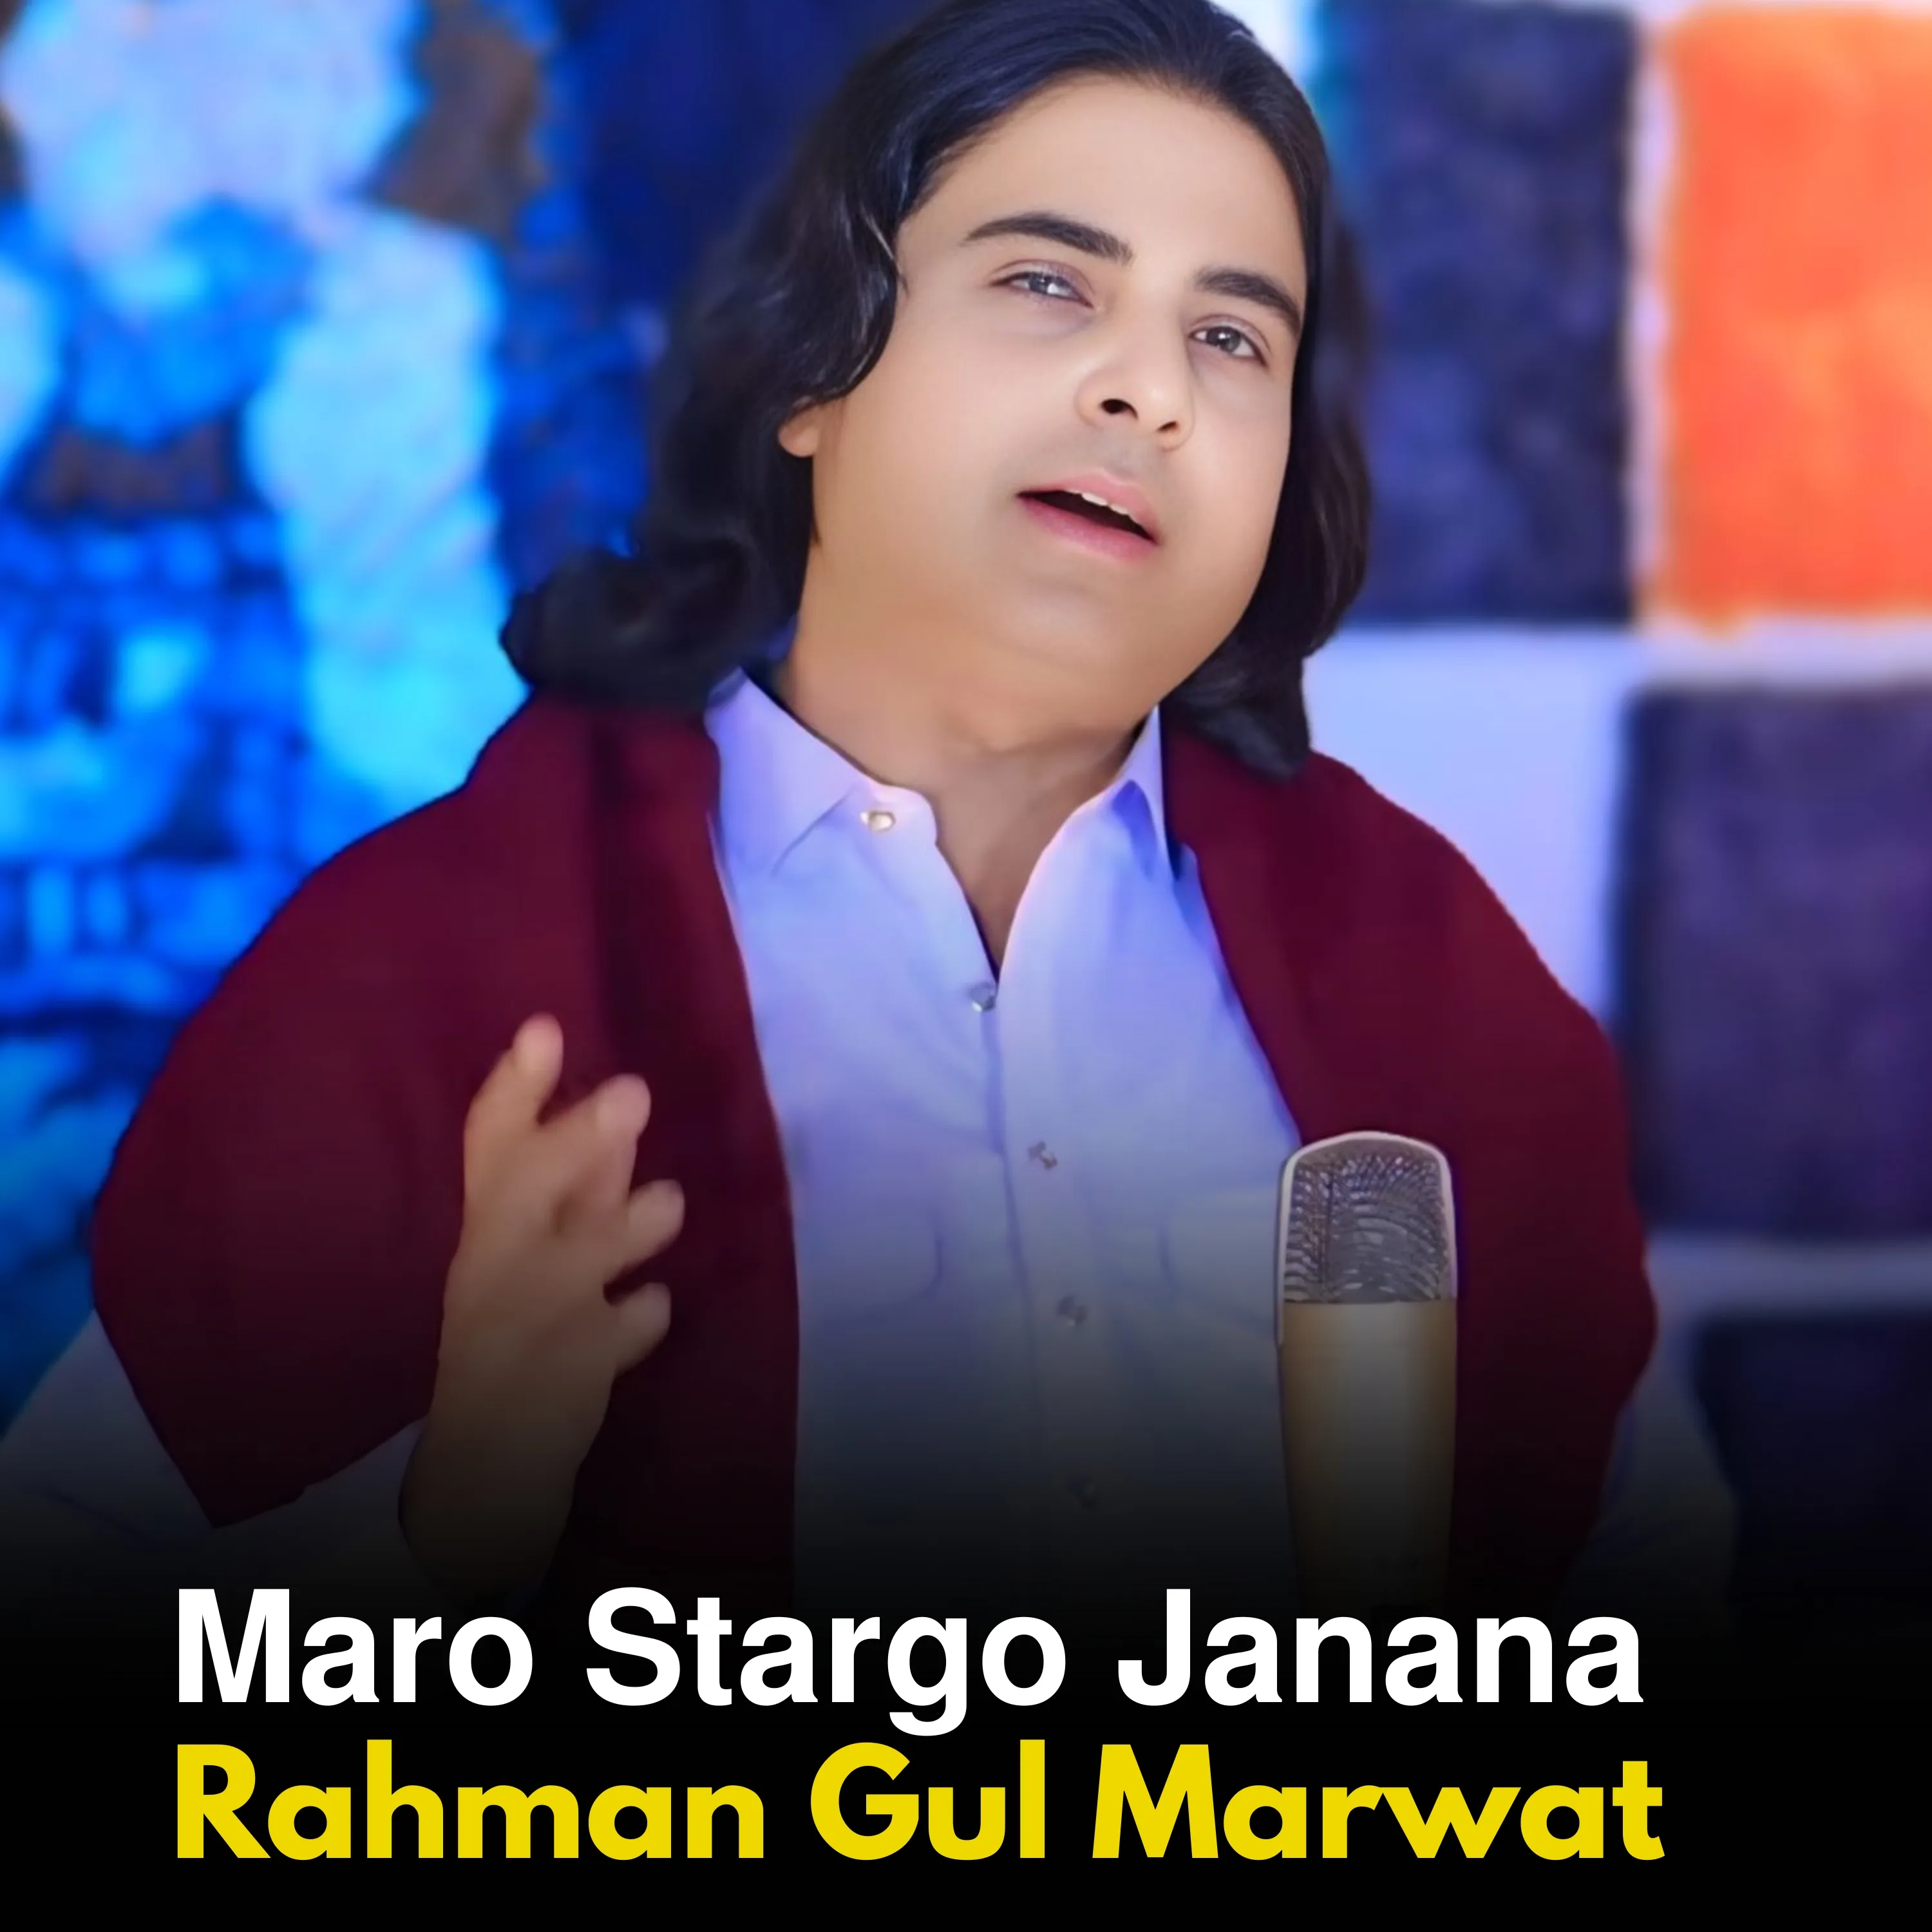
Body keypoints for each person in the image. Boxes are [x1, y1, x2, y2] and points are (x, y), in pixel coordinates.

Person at [0, 0, 1725, 1635]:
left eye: (1230, 336)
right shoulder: (431, 974)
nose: (1152, 390)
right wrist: (451, 1517)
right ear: (811, 374)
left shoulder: (1426, 981)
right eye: (1048, 283)